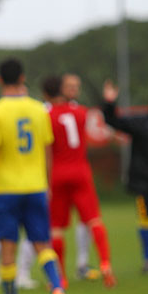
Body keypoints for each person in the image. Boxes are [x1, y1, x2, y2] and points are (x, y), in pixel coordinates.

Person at [0, 58, 66, 294]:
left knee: (7, 249)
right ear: (23, 77)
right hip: (36, 186)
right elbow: (48, 150)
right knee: (42, 243)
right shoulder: (39, 109)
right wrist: (46, 183)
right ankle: (57, 289)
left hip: (6, 190)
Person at [43, 76, 116, 289]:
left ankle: (61, 278)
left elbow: (46, 148)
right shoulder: (81, 112)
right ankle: (105, 264)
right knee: (94, 220)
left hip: (57, 173)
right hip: (81, 170)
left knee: (56, 228)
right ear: (63, 91)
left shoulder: (47, 116)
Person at [102, 82, 148, 273]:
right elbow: (112, 120)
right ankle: (147, 260)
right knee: (146, 218)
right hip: (143, 181)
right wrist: (110, 102)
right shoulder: (140, 122)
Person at [61, 73, 98, 281]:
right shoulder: (48, 110)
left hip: (78, 173)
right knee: (50, 224)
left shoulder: (81, 112)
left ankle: (82, 264)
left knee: (86, 219)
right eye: (69, 85)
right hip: (56, 176)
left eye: (77, 85)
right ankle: (32, 268)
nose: (73, 89)